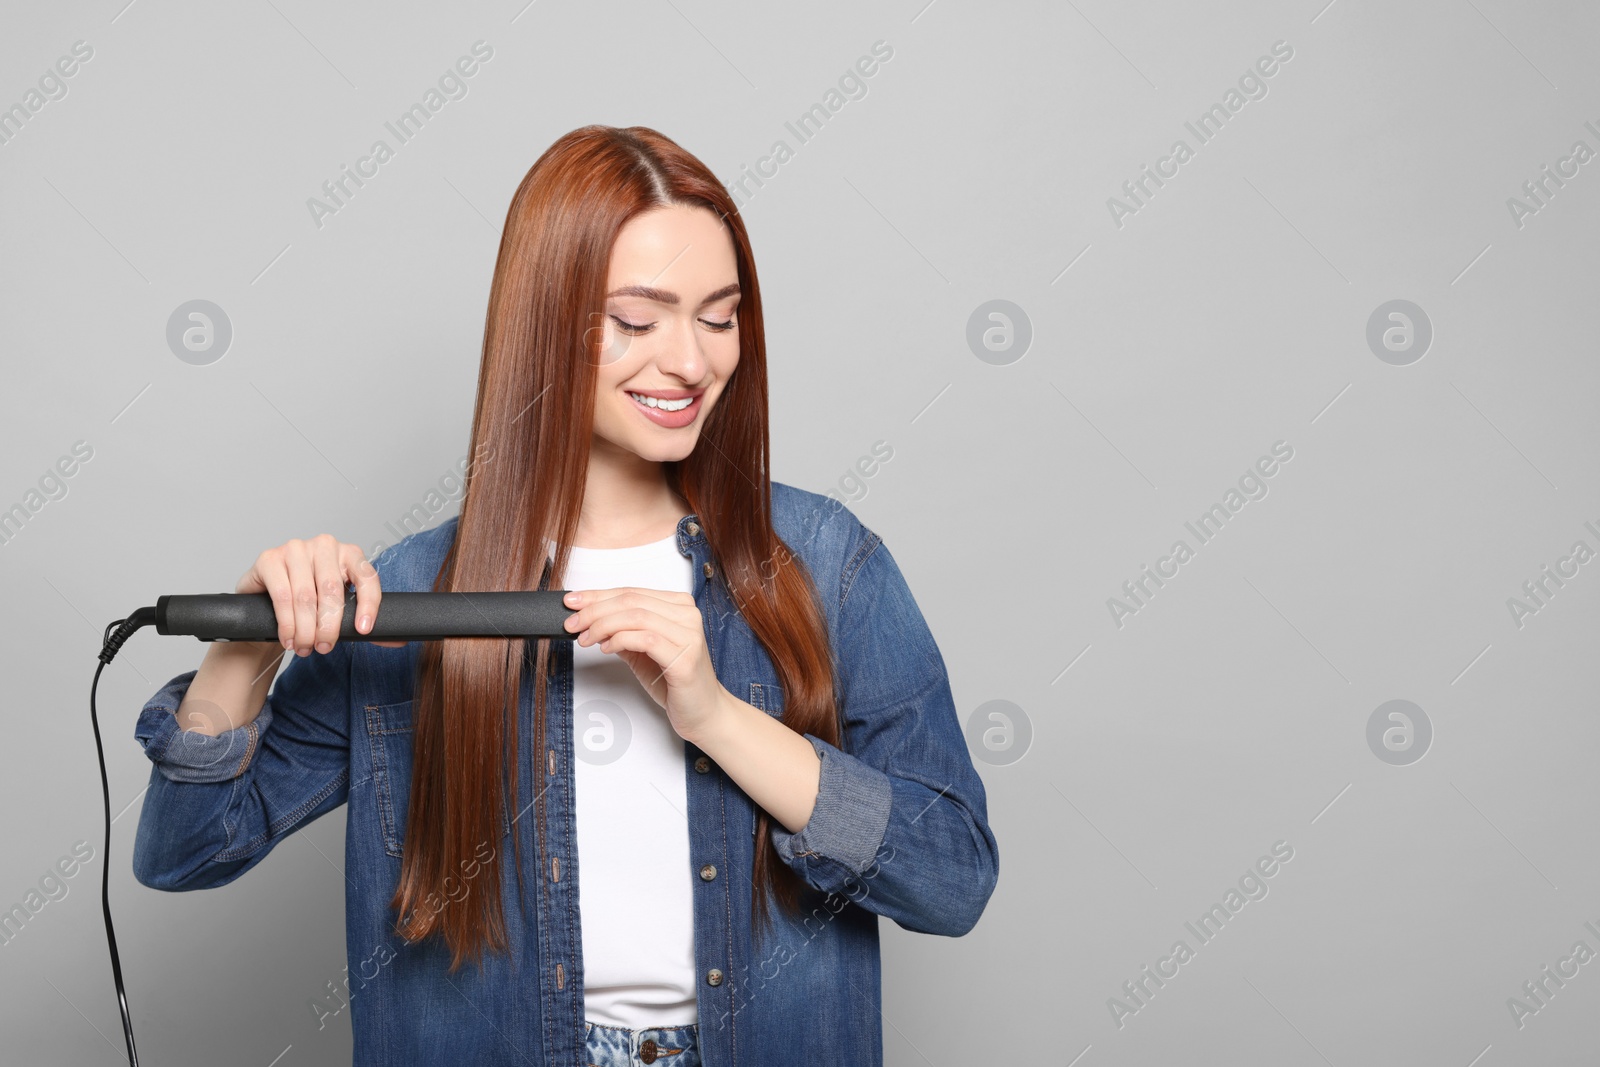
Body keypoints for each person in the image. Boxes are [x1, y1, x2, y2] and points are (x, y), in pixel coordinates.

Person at [131, 124, 999, 1067]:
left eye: (719, 316)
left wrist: (715, 717)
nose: (691, 362)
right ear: (544, 324)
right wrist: (247, 652)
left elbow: (951, 877)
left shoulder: (829, 563)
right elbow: (184, 854)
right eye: (636, 321)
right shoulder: (416, 593)